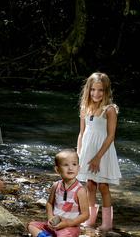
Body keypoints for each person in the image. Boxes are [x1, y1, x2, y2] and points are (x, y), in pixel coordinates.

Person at [76, 72, 121, 233]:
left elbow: (110, 136)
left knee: (103, 186)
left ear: (106, 91)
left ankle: (107, 223)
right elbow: (81, 133)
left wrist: (97, 157)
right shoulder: (85, 108)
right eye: (93, 90)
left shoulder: (109, 110)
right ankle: (90, 219)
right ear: (88, 90)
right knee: (89, 185)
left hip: (103, 152)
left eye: (100, 90)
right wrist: (79, 154)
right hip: (88, 151)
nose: (96, 93)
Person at [27, 149, 90, 237]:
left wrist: (68, 223)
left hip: (69, 228)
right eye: (65, 165)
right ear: (57, 169)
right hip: (54, 225)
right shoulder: (56, 186)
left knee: (64, 235)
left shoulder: (80, 190)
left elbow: (85, 215)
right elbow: (49, 203)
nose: (70, 168)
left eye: (74, 164)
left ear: (78, 168)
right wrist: (50, 218)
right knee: (31, 225)